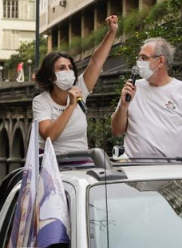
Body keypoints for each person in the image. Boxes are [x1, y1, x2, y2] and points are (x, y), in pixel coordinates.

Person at [111, 37, 182, 159]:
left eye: (144, 58)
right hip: (133, 168)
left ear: (160, 61)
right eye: (139, 58)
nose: (139, 62)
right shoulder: (132, 88)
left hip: (168, 170)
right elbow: (116, 131)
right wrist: (123, 106)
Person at [32, 15, 118, 154]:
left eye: (70, 67)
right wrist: (71, 106)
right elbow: (49, 135)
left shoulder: (80, 88)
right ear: (49, 76)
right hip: (52, 164)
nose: (67, 71)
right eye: (61, 68)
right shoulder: (41, 101)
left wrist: (112, 32)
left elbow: (96, 62)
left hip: (81, 160)